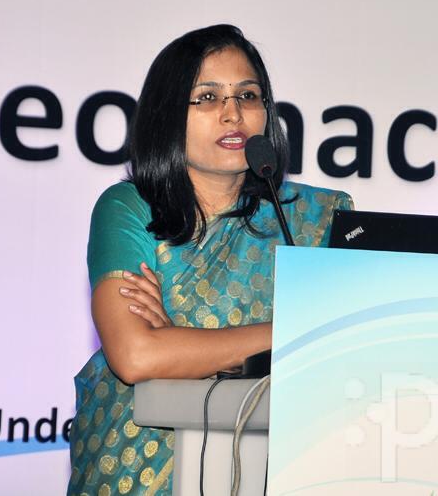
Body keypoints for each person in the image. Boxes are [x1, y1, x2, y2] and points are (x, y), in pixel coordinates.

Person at [67, 24, 353, 495]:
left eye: (248, 95)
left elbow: (345, 350)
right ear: (167, 114)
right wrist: (294, 333)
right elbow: (136, 355)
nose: (232, 113)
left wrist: (179, 343)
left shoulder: (313, 219)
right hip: (134, 472)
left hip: (274, 470)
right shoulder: (130, 208)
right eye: (207, 97)